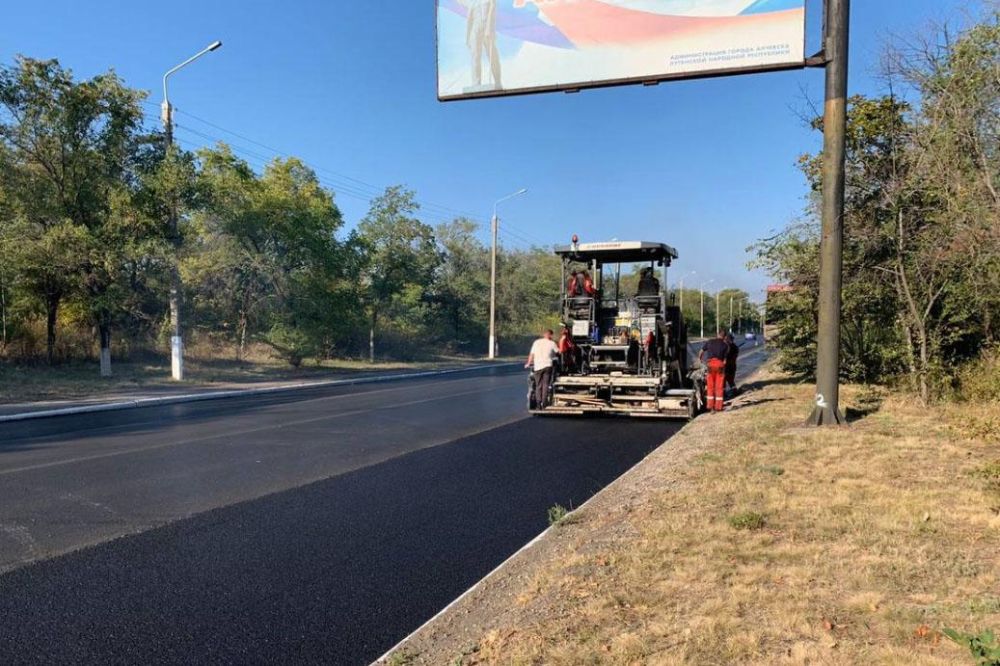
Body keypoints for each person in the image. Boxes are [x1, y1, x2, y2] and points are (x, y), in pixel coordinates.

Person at [466, 0, 502, 90]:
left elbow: (492, 11)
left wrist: (489, 28)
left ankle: (497, 81)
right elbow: (469, 21)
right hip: (475, 30)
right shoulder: (473, 3)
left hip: (487, 28)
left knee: (492, 56)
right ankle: (476, 83)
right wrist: (467, 37)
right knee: (475, 57)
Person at [525, 328, 559, 409]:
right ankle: (544, 403)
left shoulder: (536, 342)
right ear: (550, 335)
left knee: (538, 385)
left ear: (544, 334)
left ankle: (538, 403)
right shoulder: (552, 343)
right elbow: (558, 352)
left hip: (538, 367)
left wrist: (528, 363)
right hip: (547, 366)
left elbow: (532, 354)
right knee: (545, 385)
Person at [698, 330, 729, 413]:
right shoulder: (725, 345)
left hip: (710, 365)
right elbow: (725, 361)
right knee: (719, 386)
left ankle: (710, 407)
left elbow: (701, 351)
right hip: (720, 365)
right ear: (724, 337)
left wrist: (700, 360)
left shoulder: (709, 342)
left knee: (710, 386)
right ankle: (718, 407)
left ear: (717, 335)